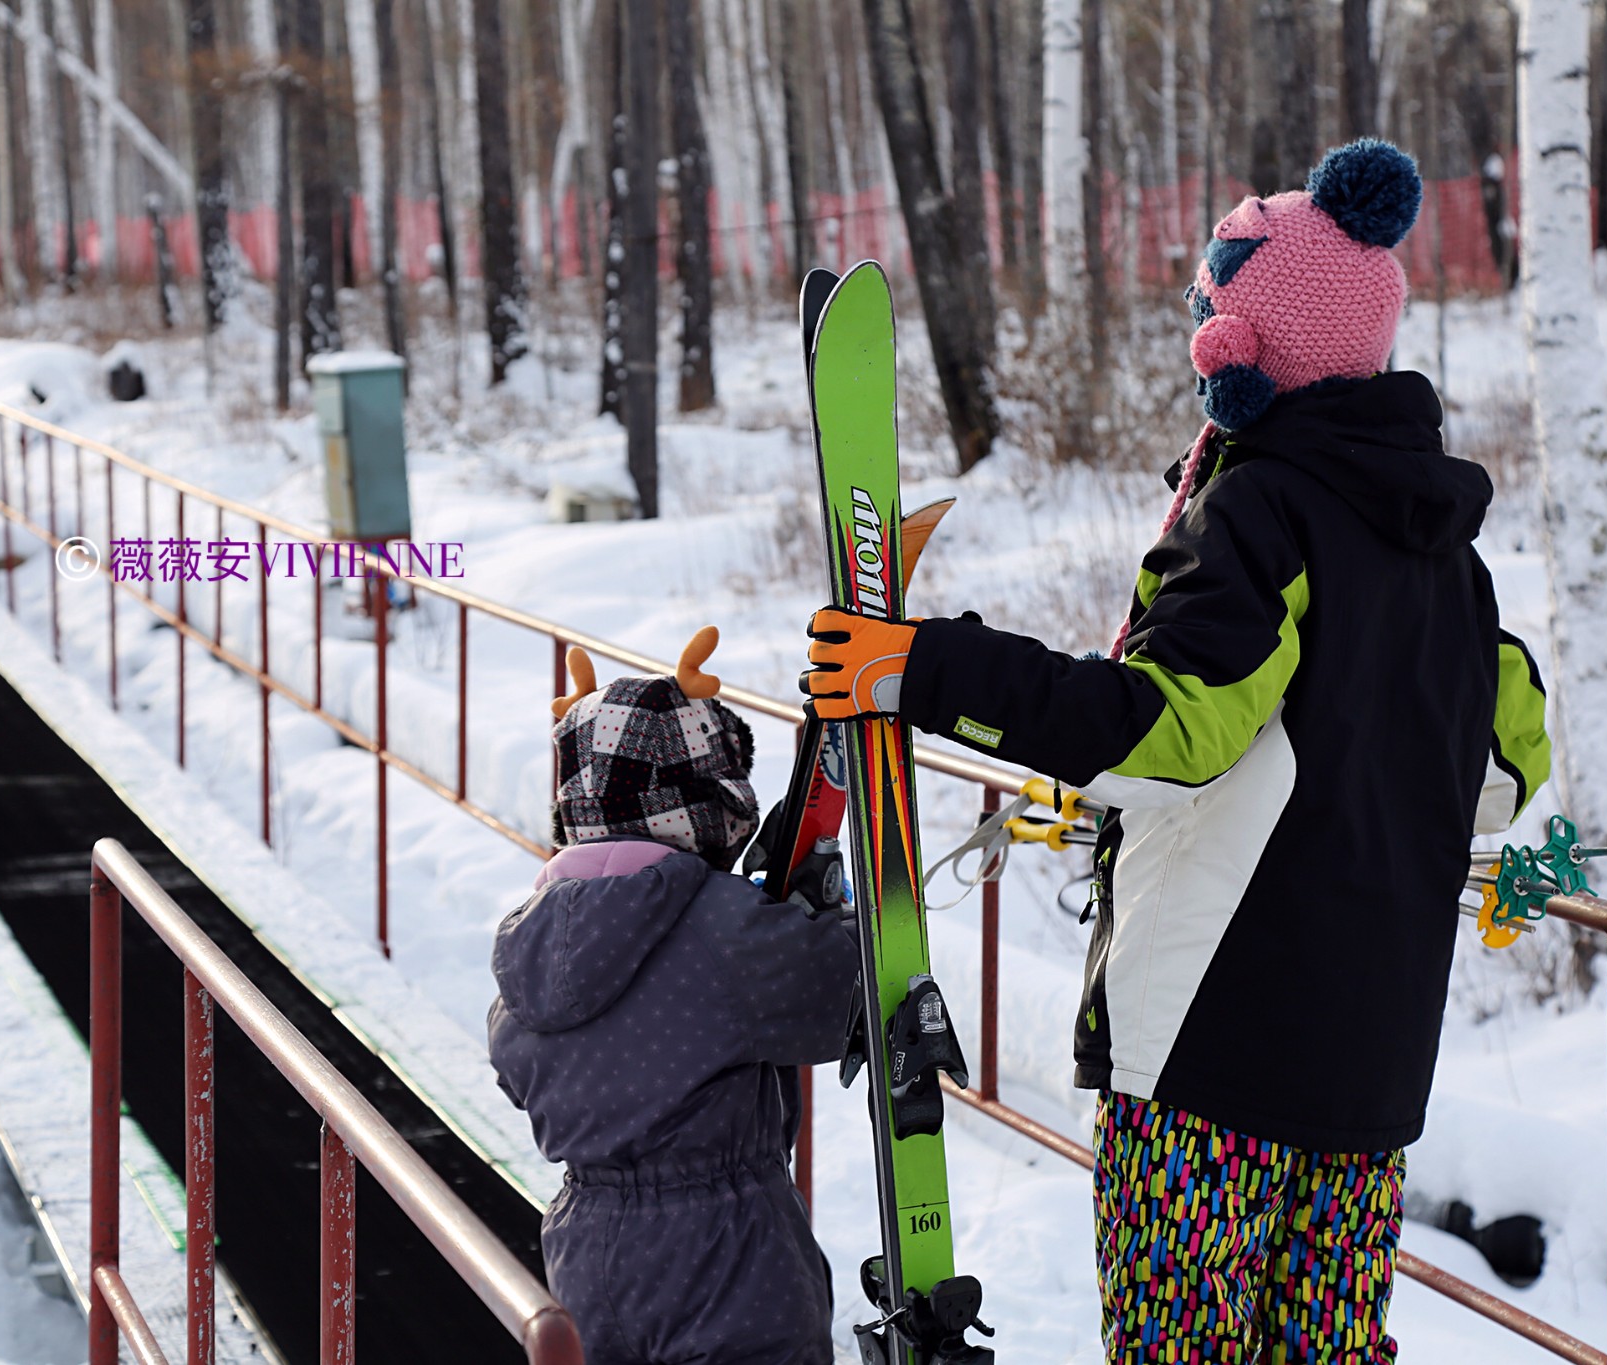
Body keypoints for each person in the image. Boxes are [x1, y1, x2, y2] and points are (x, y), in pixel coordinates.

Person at [797, 140, 1552, 1362]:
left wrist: (923, 669)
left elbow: (1167, 733)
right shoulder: (1447, 565)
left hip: (1215, 1066)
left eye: (1211, 308)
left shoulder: (1260, 512)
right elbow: (1509, 772)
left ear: (1245, 349)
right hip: (1367, 1083)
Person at [489, 627, 856, 1365]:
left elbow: (513, 1067)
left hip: (586, 1251)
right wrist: (823, 913)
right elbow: (839, 997)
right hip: (727, 1254)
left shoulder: (524, 943)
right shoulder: (722, 930)